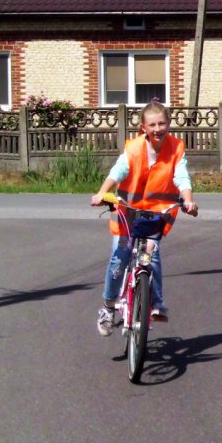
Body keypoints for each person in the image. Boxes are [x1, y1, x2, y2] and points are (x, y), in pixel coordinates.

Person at [90, 100, 197, 336]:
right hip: (128, 211)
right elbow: (118, 171)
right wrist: (102, 192)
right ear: (143, 127)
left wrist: (188, 199)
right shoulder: (135, 148)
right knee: (120, 259)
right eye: (152, 124)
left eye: (162, 123)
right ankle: (108, 308)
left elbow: (182, 177)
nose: (158, 129)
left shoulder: (176, 148)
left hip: (156, 213)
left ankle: (156, 303)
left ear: (169, 124)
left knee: (151, 254)